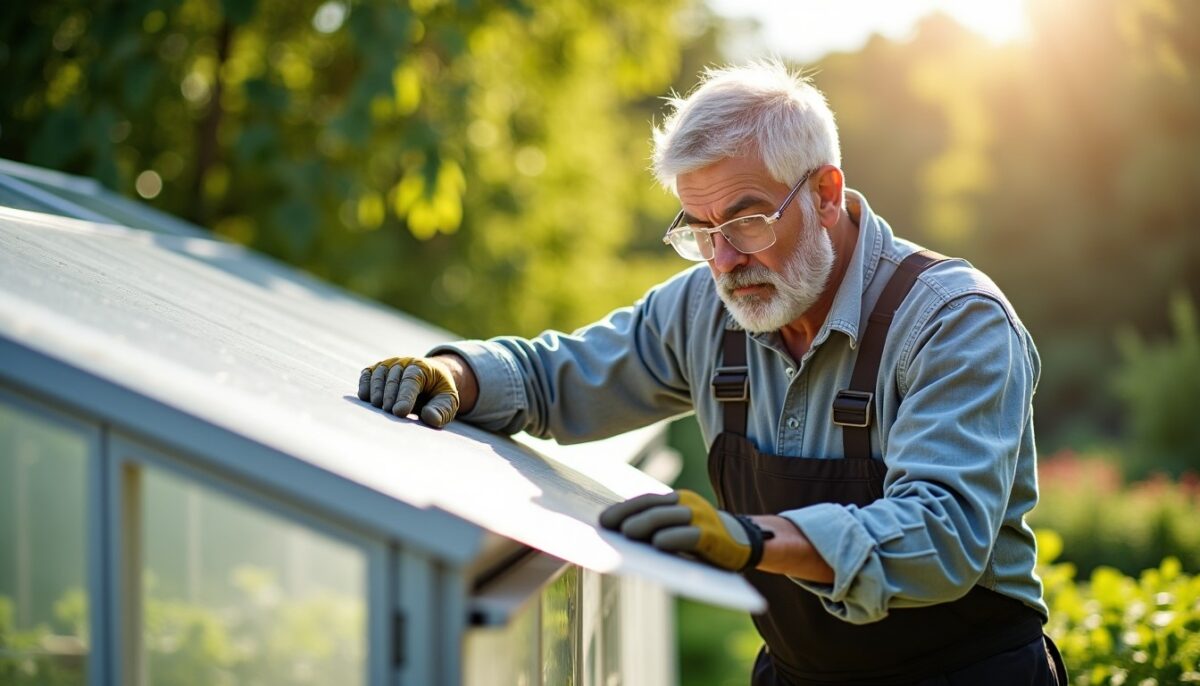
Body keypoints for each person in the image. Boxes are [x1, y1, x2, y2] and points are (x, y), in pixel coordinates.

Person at [357, 61, 1067, 685]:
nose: (724, 261)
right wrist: (452, 372)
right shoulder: (705, 308)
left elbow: (941, 539)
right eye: (699, 230)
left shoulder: (953, 323)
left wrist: (750, 539)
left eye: (746, 220)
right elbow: (555, 377)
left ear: (825, 192)